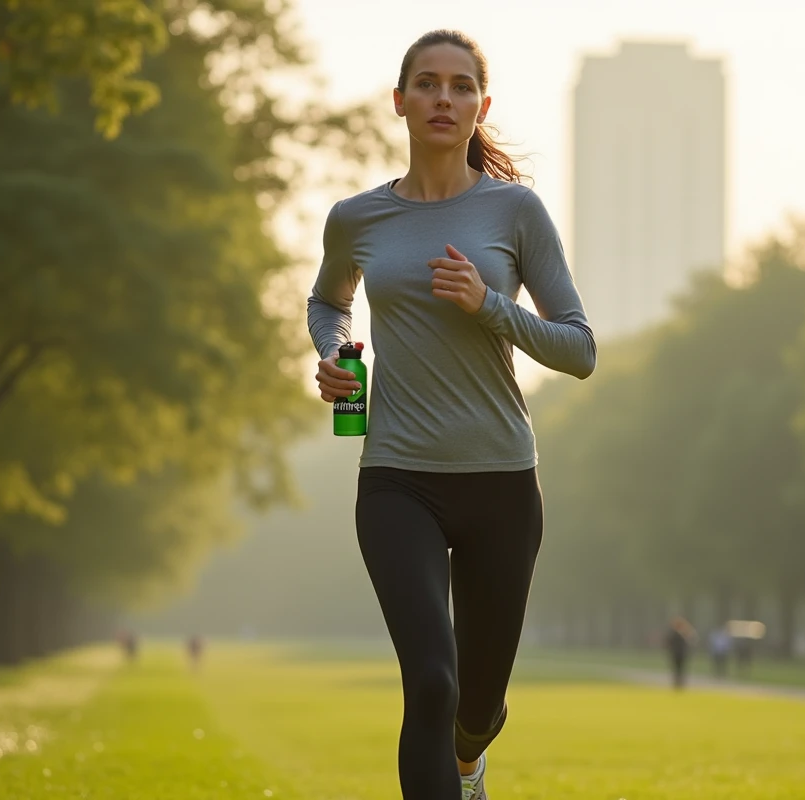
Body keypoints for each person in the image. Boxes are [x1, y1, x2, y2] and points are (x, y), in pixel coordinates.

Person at [307, 29, 596, 800]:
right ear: (400, 102)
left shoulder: (515, 212)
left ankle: (470, 762)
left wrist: (490, 305)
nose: (444, 97)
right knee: (432, 683)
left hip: (501, 480)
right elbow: (328, 301)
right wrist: (334, 352)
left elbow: (580, 350)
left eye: (461, 85)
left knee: (475, 708)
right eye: (428, 84)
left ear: (481, 107)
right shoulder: (357, 218)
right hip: (397, 479)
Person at [664, 617, 695, 689]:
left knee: (681, 669)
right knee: (676, 669)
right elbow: (668, 643)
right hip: (675, 653)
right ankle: (677, 682)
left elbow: (692, 640)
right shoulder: (673, 633)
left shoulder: (684, 633)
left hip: (682, 654)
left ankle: (680, 682)